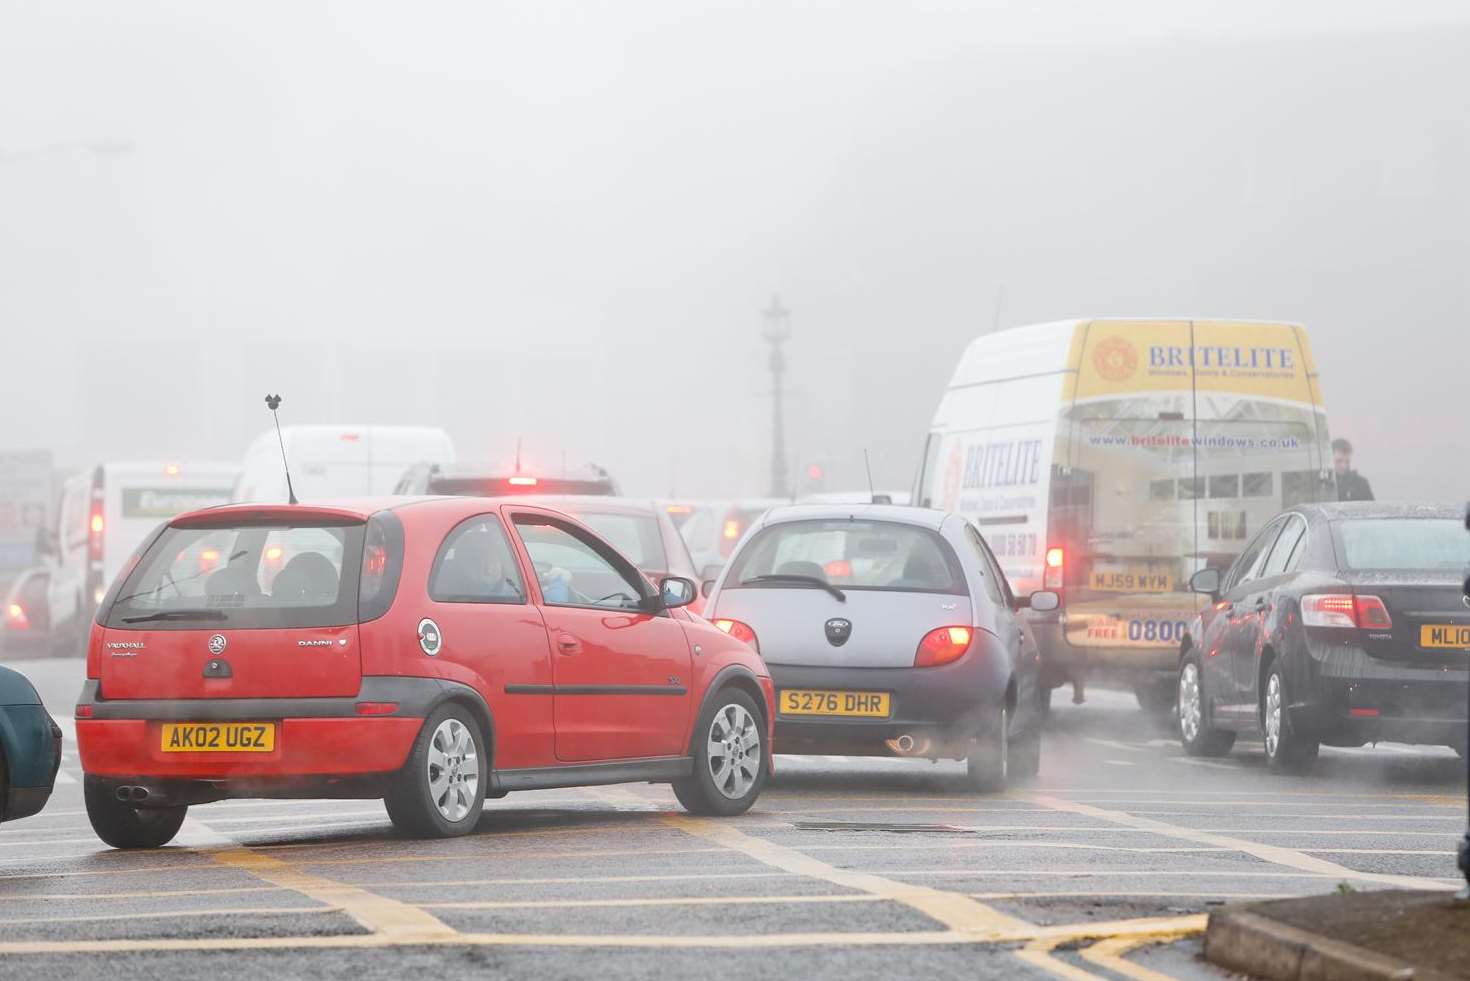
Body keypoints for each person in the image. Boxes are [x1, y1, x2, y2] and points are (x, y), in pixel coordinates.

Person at [1332, 438, 1374, 502]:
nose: (1344, 466)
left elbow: (1371, 510)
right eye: (1339, 461)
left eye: (1347, 462)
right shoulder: (1322, 484)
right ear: (1329, 460)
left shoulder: (1361, 483)